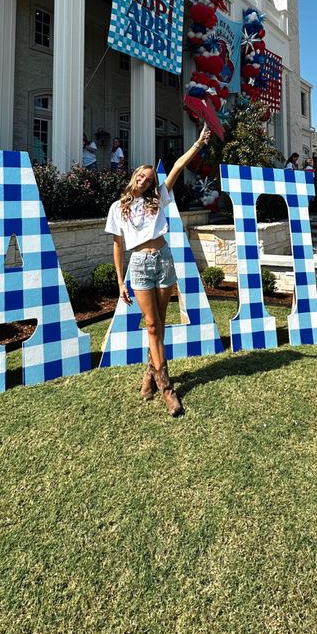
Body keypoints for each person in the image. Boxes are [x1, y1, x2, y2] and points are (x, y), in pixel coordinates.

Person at [105, 123, 212, 417]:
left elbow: (178, 165)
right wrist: (119, 281)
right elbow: (117, 245)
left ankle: (149, 375)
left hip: (163, 260)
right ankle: (167, 389)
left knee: (159, 325)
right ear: (133, 177)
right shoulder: (118, 208)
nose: (143, 179)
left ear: (153, 183)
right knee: (152, 326)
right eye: (140, 175)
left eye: (148, 178)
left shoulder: (158, 198)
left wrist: (198, 143)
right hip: (138, 265)